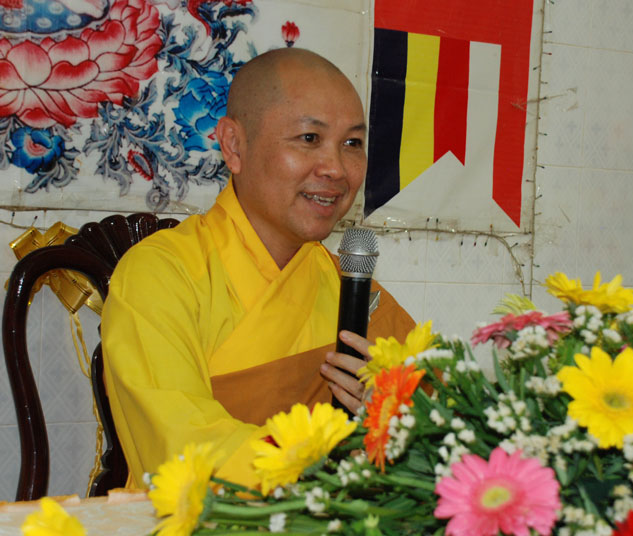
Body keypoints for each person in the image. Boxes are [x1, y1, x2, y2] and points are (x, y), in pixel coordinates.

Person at [100, 48, 415, 490]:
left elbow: (436, 413)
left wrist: (392, 423)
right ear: (234, 145)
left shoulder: (347, 285)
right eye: (309, 138)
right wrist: (330, 465)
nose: (336, 169)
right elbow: (183, 448)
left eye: (352, 144)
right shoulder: (160, 276)